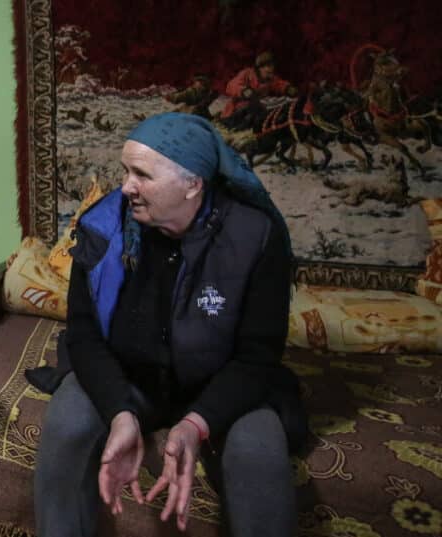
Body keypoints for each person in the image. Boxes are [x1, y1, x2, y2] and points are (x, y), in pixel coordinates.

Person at [32, 112, 306, 537]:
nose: (126, 187)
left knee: (260, 449)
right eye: (125, 171)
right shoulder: (102, 227)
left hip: (218, 385)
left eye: (141, 174)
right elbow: (84, 337)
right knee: (67, 425)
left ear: (193, 184)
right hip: (127, 378)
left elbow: (258, 357)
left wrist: (197, 424)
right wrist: (119, 413)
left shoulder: (256, 237)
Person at [220, 52, 297, 129]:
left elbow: (279, 84)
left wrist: (287, 88)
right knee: (251, 110)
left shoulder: (269, 79)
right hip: (236, 110)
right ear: (260, 67)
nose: (271, 70)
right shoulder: (247, 74)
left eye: (272, 67)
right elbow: (231, 85)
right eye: (268, 66)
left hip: (257, 108)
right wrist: (244, 91)